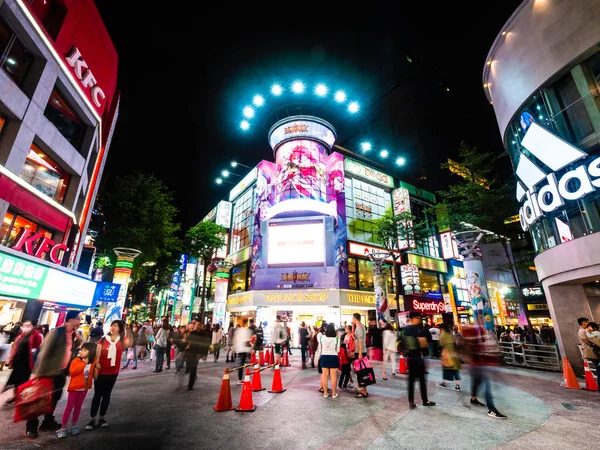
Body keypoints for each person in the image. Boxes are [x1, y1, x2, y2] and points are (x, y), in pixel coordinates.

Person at [25, 310, 81, 439]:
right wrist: (39, 374)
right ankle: (31, 426)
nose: (79, 321)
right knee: (39, 400)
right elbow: (44, 353)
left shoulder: (72, 334)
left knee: (55, 398)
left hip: (60, 372)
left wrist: (77, 336)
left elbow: (72, 349)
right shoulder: (56, 332)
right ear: (71, 319)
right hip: (47, 372)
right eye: (78, 318)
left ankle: (48, 421)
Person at [86, 320, 126, 430]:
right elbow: (97, 354)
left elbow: (130, 342)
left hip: (113, 372)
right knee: (97, 395)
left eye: (115, 326)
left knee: (107, 395)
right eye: (112, 325)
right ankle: (92, 419)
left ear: (120, 329)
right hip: (101, 371)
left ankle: (102, 418)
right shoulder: (103, 340)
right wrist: (97, 364)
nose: (112, 327)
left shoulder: (122, 341)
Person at [463, 315, 506, 419]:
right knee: (487, 387)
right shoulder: (473, 331)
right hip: (478, 364)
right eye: (480, 319)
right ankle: (491, 409)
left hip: (480, 364)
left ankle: (473, 399)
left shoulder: (481, 331)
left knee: (477, 383)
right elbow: (472, 347)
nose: (482, 321)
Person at [55, 343, 97, 438]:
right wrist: (84, 363)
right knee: (69, 407)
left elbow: (94, 375)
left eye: (84, 350)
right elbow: (72, 372)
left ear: (91, 352)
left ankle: (73, 425)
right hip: (74, 388)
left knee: (78, 407)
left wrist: (96, 366)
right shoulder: (76, 361)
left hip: (84, 389)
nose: (81, 351)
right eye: (81, 349)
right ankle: (63, 427)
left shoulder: (92, 362)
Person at [3, 320, 43, 405]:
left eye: (28, 326)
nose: (25, 327)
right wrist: (11, 359)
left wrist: (34, 359)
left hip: (26, 363)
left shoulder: (36, 335)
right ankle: (16, 397)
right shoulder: (22, 335)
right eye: (24, 326)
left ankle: (20, 398)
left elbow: (37, 349)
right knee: (16, 380)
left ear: (32, 326)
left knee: (22, 381)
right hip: (18, 362)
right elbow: (16, 347)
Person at [403, 312, 436, 409]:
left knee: (411, 382)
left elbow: (402, 342)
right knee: (422, 380)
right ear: (415, 318)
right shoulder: (418, 330)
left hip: (409, 358)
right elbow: (423, 344)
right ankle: (425, 400)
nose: (420, 319)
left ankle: (411, 402)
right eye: (419, 318)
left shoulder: (405, 330)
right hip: (418, 358)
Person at [318, 324, 340, 399]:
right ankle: (334, 393)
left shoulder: (322, 338)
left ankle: (325, 393)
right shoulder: (336, 338)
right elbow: (338, 350)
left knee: (325, 376)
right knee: (334, 376)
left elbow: (320, 349)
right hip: (333, 357)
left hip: (324, 356)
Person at [438, 323, 462, 391]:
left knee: (446, 367)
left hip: (447, 353)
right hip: (454, 353)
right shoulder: (451, 333)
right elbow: (455, 342)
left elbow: (441, 344)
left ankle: (443, 383)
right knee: (456, 370)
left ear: (442, 328)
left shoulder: (442, 334)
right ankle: (457, 386)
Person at [352, 313, 370, 399]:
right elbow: (357, 338)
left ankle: (364, 391)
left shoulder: (359, 327)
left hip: (360, 352)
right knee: (362, 371)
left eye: (353, 319)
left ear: (355, 318)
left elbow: (360, 341)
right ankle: (363, 389)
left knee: (361, 372)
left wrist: (359, 353)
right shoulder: (362, 326)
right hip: (362, 351)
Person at [183, 321, 202, 390]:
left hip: (196, 353)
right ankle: (193, 377)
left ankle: (190, 385)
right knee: (190, 367)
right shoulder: (192, 333)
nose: (197, 326)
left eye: (198, 324)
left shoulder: (202, 334)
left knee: (193, 369)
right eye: (196, 325)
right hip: (190, 352)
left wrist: (202, 354)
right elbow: (187, 341)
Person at [583, 321, 600, 393]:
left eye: (590, 327)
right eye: (588, 326)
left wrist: (586, 331)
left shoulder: (596, 333)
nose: (589, 328)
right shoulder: (595, 333)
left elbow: (589, 337)